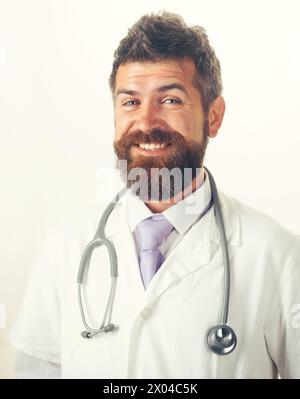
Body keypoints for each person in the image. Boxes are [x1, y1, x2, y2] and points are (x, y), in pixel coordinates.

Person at [10, 10, 300, 379]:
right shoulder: (67, 245)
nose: (146, 122)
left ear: (214, 116)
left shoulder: (279, 256)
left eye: (170, 100)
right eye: (130, 101)